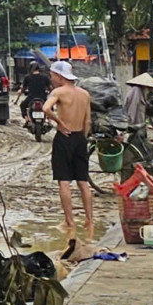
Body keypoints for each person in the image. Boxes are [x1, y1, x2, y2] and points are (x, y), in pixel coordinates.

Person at [40, 60, 95, 239]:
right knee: (83, 181)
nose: (51, 79)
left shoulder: (58, 92)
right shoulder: (84, 94)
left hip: (64, 137)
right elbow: (88, 121)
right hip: (80, 138)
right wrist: (82, 137)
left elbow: (45, 108)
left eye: (52, 75)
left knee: (64, 181)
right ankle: (89, 220)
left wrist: (59, 123)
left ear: (59, 76)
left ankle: (69, 221)